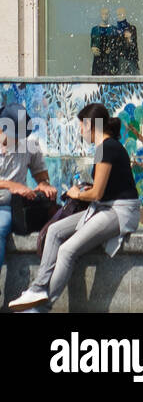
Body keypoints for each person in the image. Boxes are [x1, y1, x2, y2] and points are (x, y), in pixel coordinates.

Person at [8, 104, 140, 312]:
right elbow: (102, 189)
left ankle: (42, 307)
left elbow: (97, 193)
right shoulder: (102, 149)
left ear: (89, 125)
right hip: (103, 207)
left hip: (119, 211)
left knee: (68, 250)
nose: (80, 131)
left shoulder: (107, 148)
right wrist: (83, 189)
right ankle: (39, 288)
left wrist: (77, 193)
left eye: (81, 126)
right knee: (54, 230)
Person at [0, 106, 58, 282]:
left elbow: (41, 177)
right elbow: (11, 185)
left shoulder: (30, 145)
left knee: (0, 227)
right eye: (15, 134)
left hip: (9, 205)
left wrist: (44, 186)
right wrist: (10, 185)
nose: (18, 140)